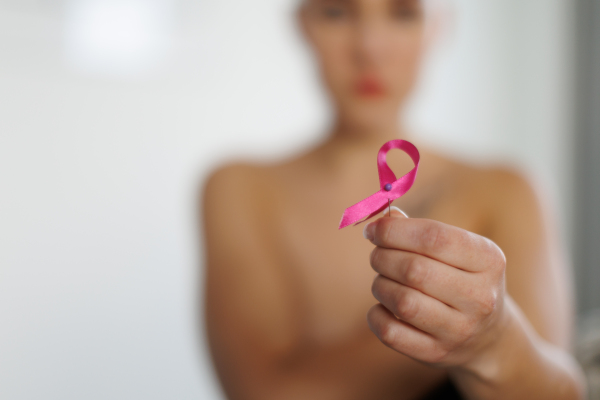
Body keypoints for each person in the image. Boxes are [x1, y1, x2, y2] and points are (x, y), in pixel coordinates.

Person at [201, 0, 586, 399]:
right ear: (303, 25)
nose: (369, 46)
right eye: (336, 13)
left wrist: (496, 337)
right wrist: (452, 332)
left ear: (439, 27)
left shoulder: (510, 191)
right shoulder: (239, 188)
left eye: (404, 13)